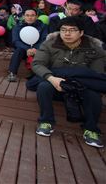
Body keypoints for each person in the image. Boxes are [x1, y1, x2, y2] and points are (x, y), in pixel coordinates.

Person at [32, 17, 106, 148]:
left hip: (82, 86)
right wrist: (52, 78)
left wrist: (73, 80)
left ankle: (91, 129)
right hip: (56, 82)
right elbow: (38, 64)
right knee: (43, 87)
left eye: (72, 30)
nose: (67, 33)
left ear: (81, 33)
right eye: (63, 30)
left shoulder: (95, 48)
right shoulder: (50, 44)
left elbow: (95, 75)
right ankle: (46, 121)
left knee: (94, 95)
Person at [7, 8, 47, 82]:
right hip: (23, 49)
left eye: (32, 15)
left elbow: (44, 40)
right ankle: (12, 72)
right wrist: (27, 49)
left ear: (37, 16)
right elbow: (16, 41)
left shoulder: (43, 26)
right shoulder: (18, 26)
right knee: (18, 51)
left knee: (42, 53)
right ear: (23, 16)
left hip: (37, 48)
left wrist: (35, 48)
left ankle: (36, 74)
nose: (30, 17)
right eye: (27, 15)